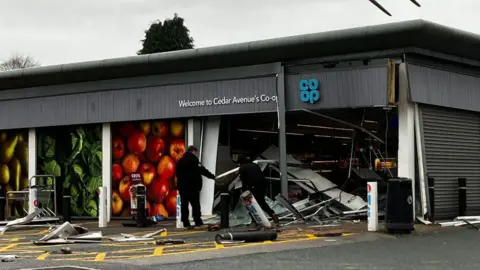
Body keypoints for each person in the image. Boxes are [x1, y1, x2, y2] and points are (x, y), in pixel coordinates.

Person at [175, 145, 216, 228]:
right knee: (195, 205)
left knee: (184, 205)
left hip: (183, 187)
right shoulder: (194, 161)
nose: (196, 154)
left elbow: (177, 173)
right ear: (193, 151)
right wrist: (212, 177)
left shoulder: (180, 161)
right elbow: (203, 170)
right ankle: (197, 221)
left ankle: (185, 222)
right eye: (195, 152)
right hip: (192, 187)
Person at [237, 155, 280, 228]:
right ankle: (273, 215)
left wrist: (243, 190)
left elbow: (244, 181)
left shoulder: (242, 168)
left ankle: (255, 221)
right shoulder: (255, 165)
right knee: (262, 202)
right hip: (262, 186)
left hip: (253, 187)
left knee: (250, 205)